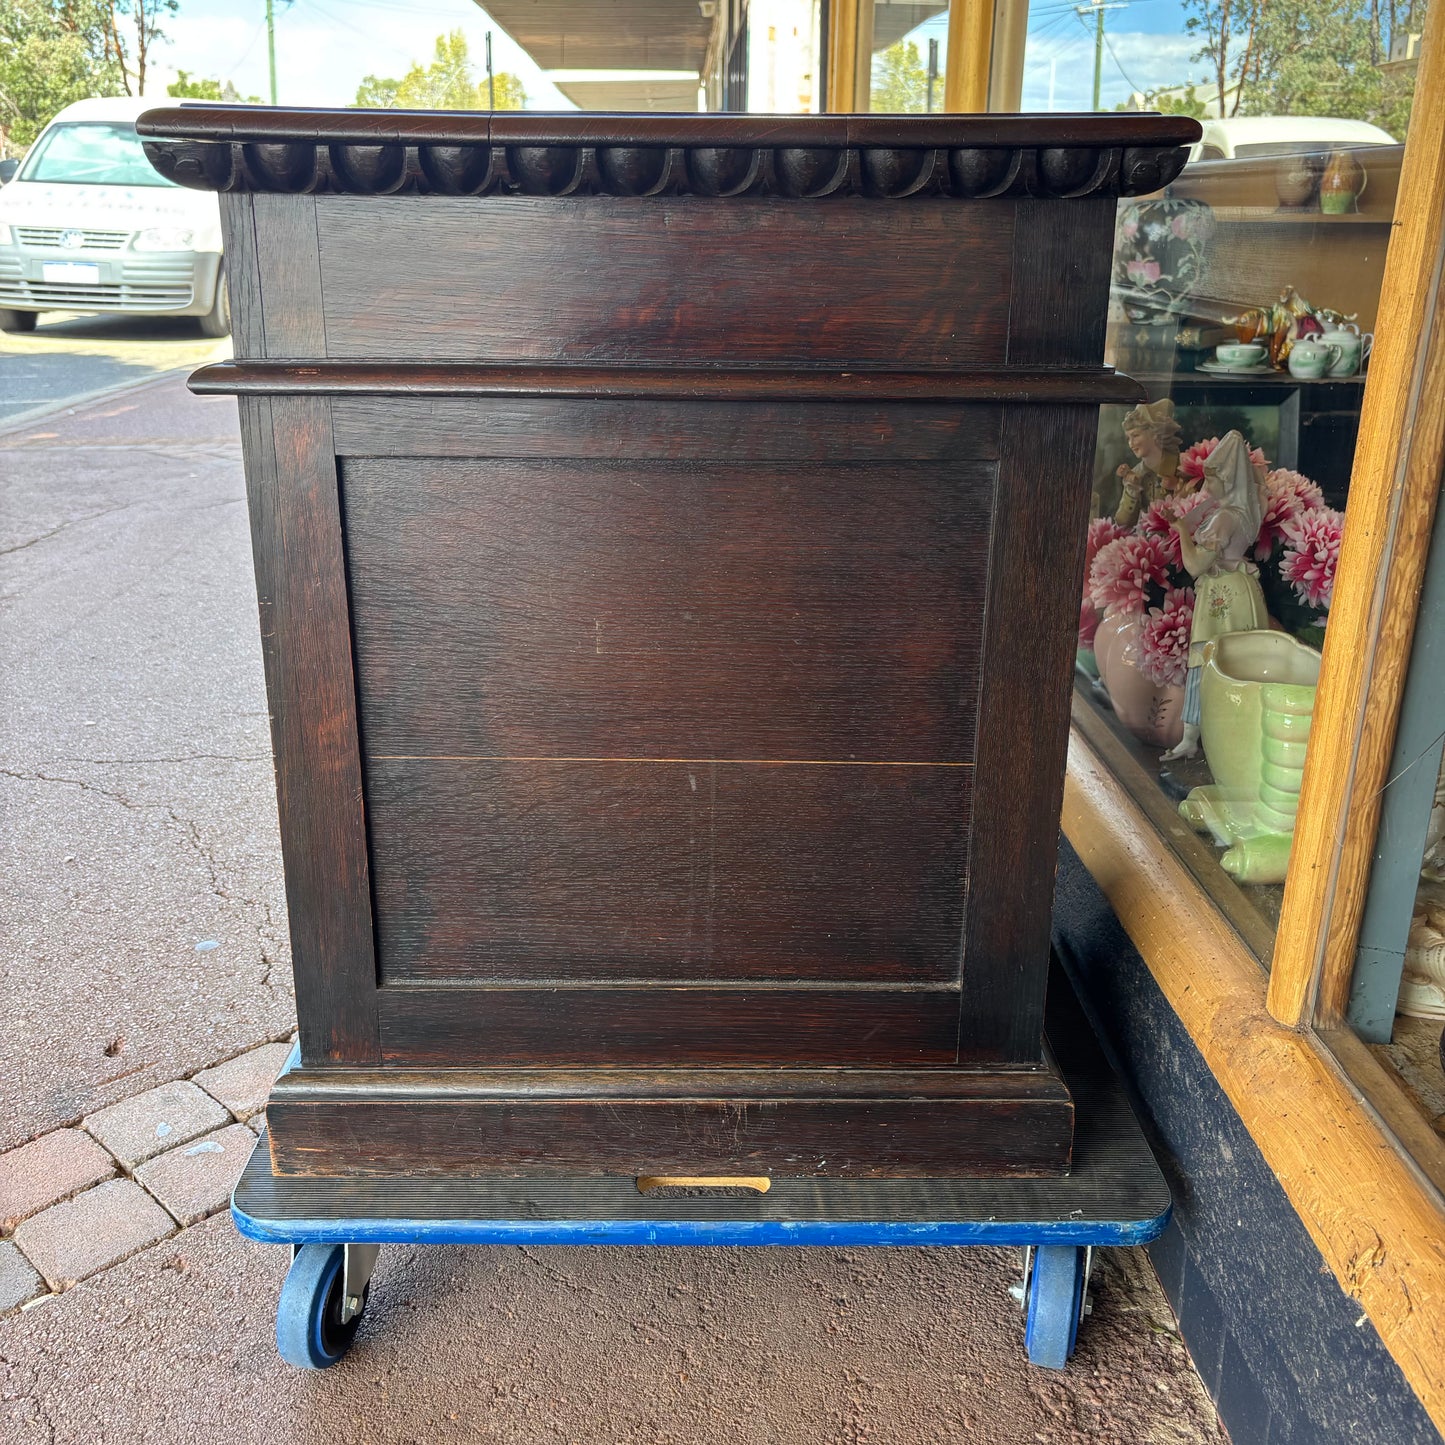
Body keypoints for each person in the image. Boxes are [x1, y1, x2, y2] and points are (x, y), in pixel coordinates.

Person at [1161, 430, 1269, 762]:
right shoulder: (1250, 510)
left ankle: (1193, 738)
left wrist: (1181, 531)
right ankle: (1238, 736)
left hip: (1220, 593)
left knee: (1203, 662)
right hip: (1243, 590)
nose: (1207, 487)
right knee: (1240, 664)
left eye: (1213, 480)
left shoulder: (1223, 518)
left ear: (1228, 480)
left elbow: (1195, 565)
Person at [1113, 397, 1183, 527]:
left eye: (1135, 436)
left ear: (1154, 434)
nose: (1131, 444)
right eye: (1128, 438)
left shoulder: (1182, 466)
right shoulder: (1136, 474)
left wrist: (1178, 487)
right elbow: (1122, 523)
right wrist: (1132, 490)